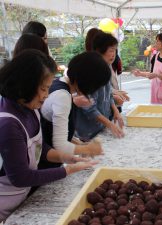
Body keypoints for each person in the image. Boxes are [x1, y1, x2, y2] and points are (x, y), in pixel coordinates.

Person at [0, 50, 97, 222]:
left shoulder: (31, 108)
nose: (46, 95)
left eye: (48, 88)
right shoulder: (8, 124)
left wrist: (68, 158)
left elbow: (39, 147)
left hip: (20, 199)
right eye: (43, 88)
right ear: (25, 85)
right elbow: (21, 177)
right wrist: (66, 170)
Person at [39, 51, 110, 168]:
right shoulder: (62, 96)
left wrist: (78, 143)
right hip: (44, 165)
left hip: (50, 159)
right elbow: (60, 145)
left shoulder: (60, 84)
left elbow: (58, 130)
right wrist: (87, 149)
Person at [75, 31, 125, 140]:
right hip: (87, 131)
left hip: (99, 128)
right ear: (99, 50)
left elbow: (108, 95)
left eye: (115, 50)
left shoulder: (105, 67)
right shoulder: (91, 71)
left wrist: (116, 111)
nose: (114, 54)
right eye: (111, 50)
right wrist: (110, 124)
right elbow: (89, 108)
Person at [133, 33, 162, 104]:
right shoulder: (155, 56)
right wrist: (140, 74)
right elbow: (152, 74)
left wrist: (157, 75)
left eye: (157, 41)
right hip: (155, 92)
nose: (155, 43)